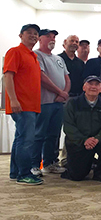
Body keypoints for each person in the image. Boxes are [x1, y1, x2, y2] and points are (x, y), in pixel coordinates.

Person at [4, 24, 43, 185]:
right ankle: (24, 174)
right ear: (21, 35)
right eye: (29, 33)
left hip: (32, 105)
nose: (33, 36)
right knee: (27, 141)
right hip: (22, 105)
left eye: (36, 34)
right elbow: (8, 76)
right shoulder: (15, 52)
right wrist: (13, 100)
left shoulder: (32, 56)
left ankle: (15, 172)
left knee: (20, 139)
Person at [62, 75, 101, 182]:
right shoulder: (72, 103)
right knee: (77, 176)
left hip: (97, 141)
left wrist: (97, 139)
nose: (93, 87)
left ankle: (100, 173)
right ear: (84, 87)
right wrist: (84, 140)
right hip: (78, 142)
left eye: (97, 85)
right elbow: (68, 127)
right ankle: (73, 167)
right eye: (90, 84)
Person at [32, 29, 70, 176]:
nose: (52, 39)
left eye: (53, 37)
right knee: (39, 134)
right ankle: (34, 164)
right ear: (40, 39)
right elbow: (41, 77)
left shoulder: (58, 59)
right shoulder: (36, 55)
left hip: (59, 103)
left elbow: (67, 78)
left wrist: (64, 93)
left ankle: (50, 162)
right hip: (44, 102)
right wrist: (60, 92)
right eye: (48, 36)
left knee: (54, 135)